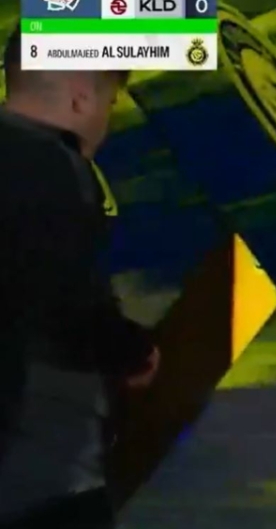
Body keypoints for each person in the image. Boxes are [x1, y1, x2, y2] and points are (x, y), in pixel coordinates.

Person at [0, 30, 160, 529]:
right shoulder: (52, 164)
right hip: (36, 472)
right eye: (109, 104)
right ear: (80, 97)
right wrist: (132, 351)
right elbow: (68, 300)